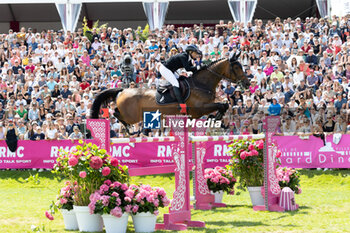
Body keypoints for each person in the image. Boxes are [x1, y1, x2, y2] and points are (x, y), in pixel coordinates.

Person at [157, 44, 202, 113]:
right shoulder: (183, 56)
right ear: (190, 52)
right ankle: (182, 105)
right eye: (195, 53)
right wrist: (198, 67)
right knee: (176, 83)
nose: (196, 55)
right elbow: (188, 68)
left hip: (171, 70)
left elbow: (192, 69)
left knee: (181, 79)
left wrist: (201, 68)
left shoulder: (188, 58)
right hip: (165, 69)